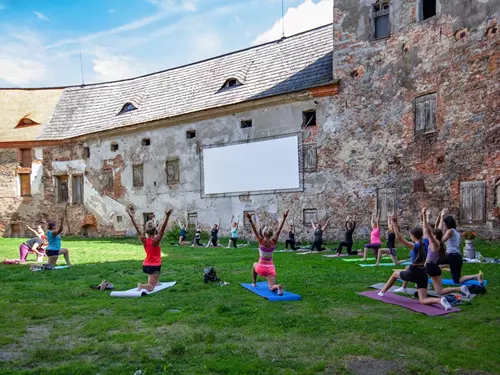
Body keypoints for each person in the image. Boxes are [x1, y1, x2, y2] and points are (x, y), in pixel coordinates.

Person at [378, 215, 453, 310]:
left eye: (410, 235)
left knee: (394, 274)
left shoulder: (415, 246)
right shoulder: (426, 243)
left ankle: (382, 292)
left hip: (413, 271)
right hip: (423, 273)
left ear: (413, 236)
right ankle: (440, 300)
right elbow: (425, 229)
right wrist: (424, 216)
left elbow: (399, 237)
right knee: (423, 299)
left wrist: (394, 223)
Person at [419, 207, 471, 297]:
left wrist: (424, 215)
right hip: (435, 267)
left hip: (430, 266)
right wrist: (441, 216)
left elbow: (426, 229)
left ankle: (421, 286)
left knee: (414, 272)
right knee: (439, 291)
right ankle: (460, 289)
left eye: (432, 234)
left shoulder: (434, 243)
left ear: (434, 235)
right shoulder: (438, 242)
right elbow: (438, 228)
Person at [127, 207, 172, 291]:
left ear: (146, 231)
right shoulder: (156, 241)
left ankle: (156, 281)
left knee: (153, 275)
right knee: (151, 287)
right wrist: (167, 216)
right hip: (154, 266)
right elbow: (162, 229)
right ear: (155, 231)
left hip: (146, 265)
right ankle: (142, 286)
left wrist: (131, 217)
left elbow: (137, 229)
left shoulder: (144, 240)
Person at [246, 210, 289, 295]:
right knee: (271, 287)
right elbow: (279, 230)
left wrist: (250, 220)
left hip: (261, 268)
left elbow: (254, 231)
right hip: (270, 268)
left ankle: (254, 283)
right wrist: (284, 218)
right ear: (271, 234)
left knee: (254, 264)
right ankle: (277, 287)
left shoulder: (261, 241)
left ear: (263, 233)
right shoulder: (273, 241)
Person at [437, 209, 484, 285]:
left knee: (431, 262)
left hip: (451, 256)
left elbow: (440, 240)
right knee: (457, 280)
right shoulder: (457, 233)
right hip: (457, 257)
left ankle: (433, 280)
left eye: (444, 224)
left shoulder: (450, 231)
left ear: (446, 224)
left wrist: (442, 217)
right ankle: (477, 276)